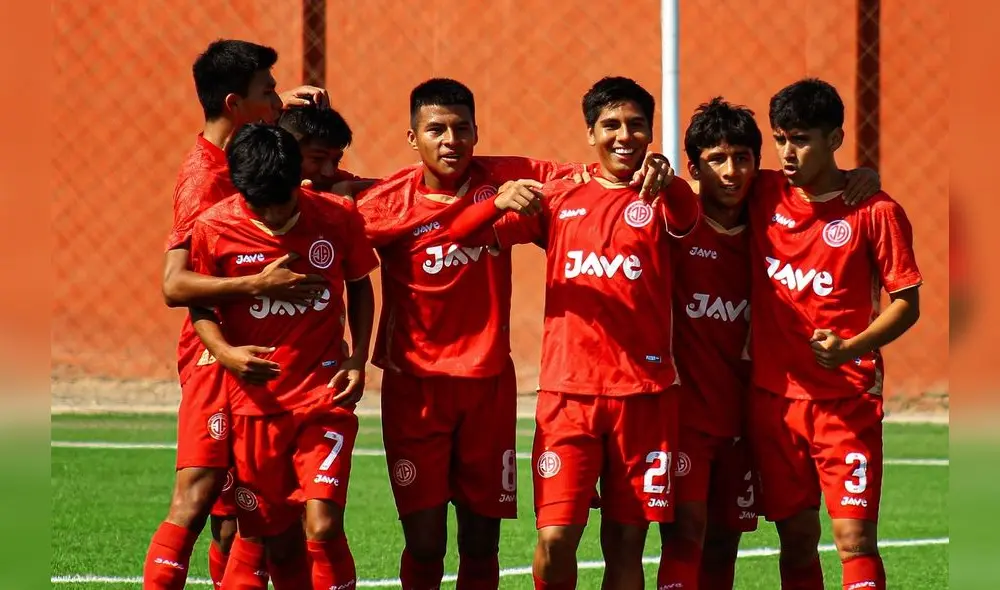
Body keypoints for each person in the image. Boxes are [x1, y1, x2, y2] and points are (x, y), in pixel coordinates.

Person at [354, 77, 664, 590]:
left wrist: (652, 173)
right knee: (426, 543)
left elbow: (589, 176)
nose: (450, 140)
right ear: (413, 139)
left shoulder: (508, 177)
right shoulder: (387, 203)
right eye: (435, 130)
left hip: (488, 388)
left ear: (477, 133)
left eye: (461, 128)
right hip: (415, 390)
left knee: (482, 543)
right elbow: (318, 221)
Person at [449, 75, 692, 590]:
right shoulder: (561, 196)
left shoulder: (663, 196)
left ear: (650, 133)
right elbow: (460, 232)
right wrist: (498, 201)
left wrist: (670, 180)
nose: (624, 136)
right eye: (610, 125)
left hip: (644, 399)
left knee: (626, 547)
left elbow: (691, 217)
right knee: (556, 539)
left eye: (636, 125)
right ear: (590, 133)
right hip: (567, 398)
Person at [143, 38, 329, 590]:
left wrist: (279, 102)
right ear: (233, 104)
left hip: (261, 353)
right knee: (199, 493)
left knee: (247, 515)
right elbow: (174, 284)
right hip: (216, 354)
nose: (279, 100)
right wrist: (256, 284)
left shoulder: (245, 154)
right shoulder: (204, 179)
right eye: (267, 92)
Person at [746, 78, 922, 590]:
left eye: (800, 138)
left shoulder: (876, 211)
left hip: (846, 401)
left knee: (854, 541)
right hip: (775, 403)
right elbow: (706, 181)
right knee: (796, 538)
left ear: (835, 139)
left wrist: (851, 346)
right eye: (780, 138)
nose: (787, 152)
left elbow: (907, 304)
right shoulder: (762, 192)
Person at [188, 123, 377, 589]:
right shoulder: (214, 227)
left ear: (299, 182)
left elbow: (360, 285)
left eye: (283, 203)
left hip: (322, 396)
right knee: (271, 538)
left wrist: (358, 358)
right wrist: (225, 352)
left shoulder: (336, 218)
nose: (273, 216)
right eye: (260, 206)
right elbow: (201, 306)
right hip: (256, 406)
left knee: (323, 525)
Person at [277, 103, 376, 194]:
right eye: (317, 158)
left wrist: (350, 188)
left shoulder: (336, 181)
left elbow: (385, 187)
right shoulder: (267, 197)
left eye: (336, 161)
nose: (329, 173)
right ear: (285, 155)